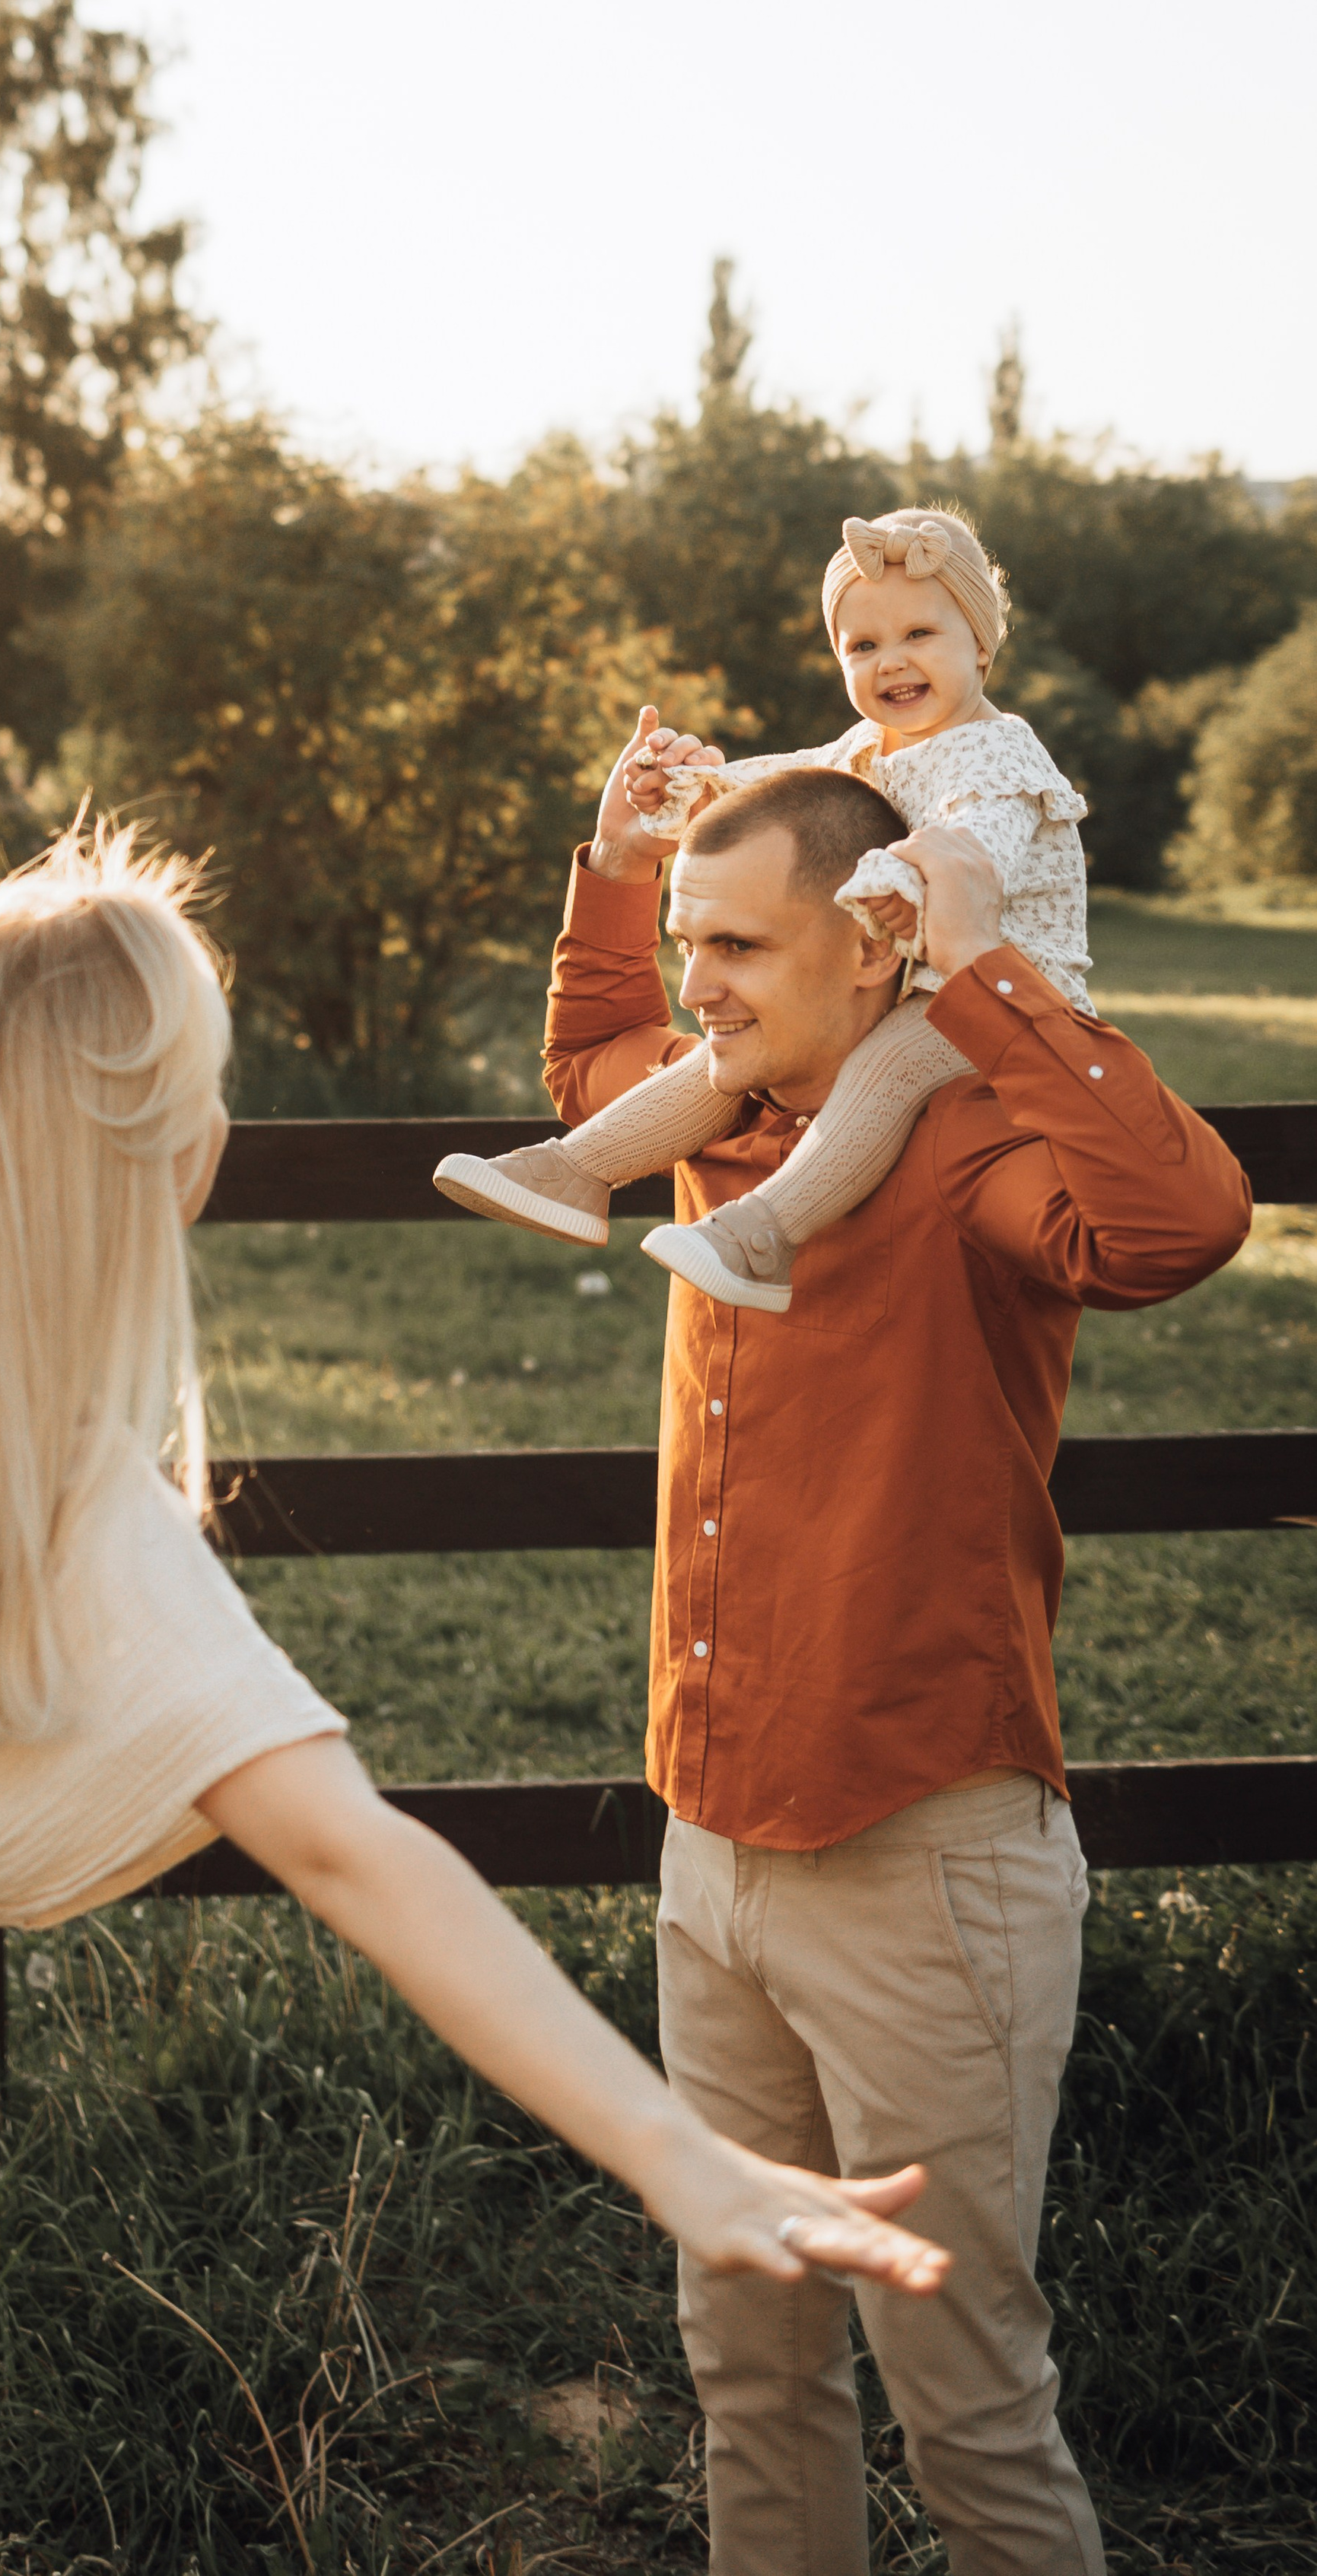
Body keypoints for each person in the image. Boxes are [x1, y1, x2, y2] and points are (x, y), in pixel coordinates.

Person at [0, 832, 946, 2576]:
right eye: (203, 1088)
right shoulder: (76, 1519)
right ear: (143, 1159)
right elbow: (358, 1857)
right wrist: (675, 2152)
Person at [514, 742, 1249, 2573]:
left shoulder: (967, 1152)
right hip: (710, 1850)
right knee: (745, 2373)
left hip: (922, 1863)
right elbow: (587, 1069)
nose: (702, 983)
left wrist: (988, 967)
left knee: (967, 2407)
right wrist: (614, 875)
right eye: (693, 941)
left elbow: (1181, 1225)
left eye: (739, 946)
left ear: (868, 946)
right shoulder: (718, 1114)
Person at [434, 507, 1093, 1313]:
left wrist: (901, 879)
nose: (892, 662)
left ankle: (762, 1236)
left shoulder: (996, 754)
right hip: (902, 975)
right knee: (734, 1064)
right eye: (863, 645)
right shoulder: (865, 747)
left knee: (883, 1071)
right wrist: (684, 788)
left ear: (982, 645)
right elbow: (776, 787)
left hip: (993, 992)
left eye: (920, 634)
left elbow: (972, 848)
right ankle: (573, 1171)